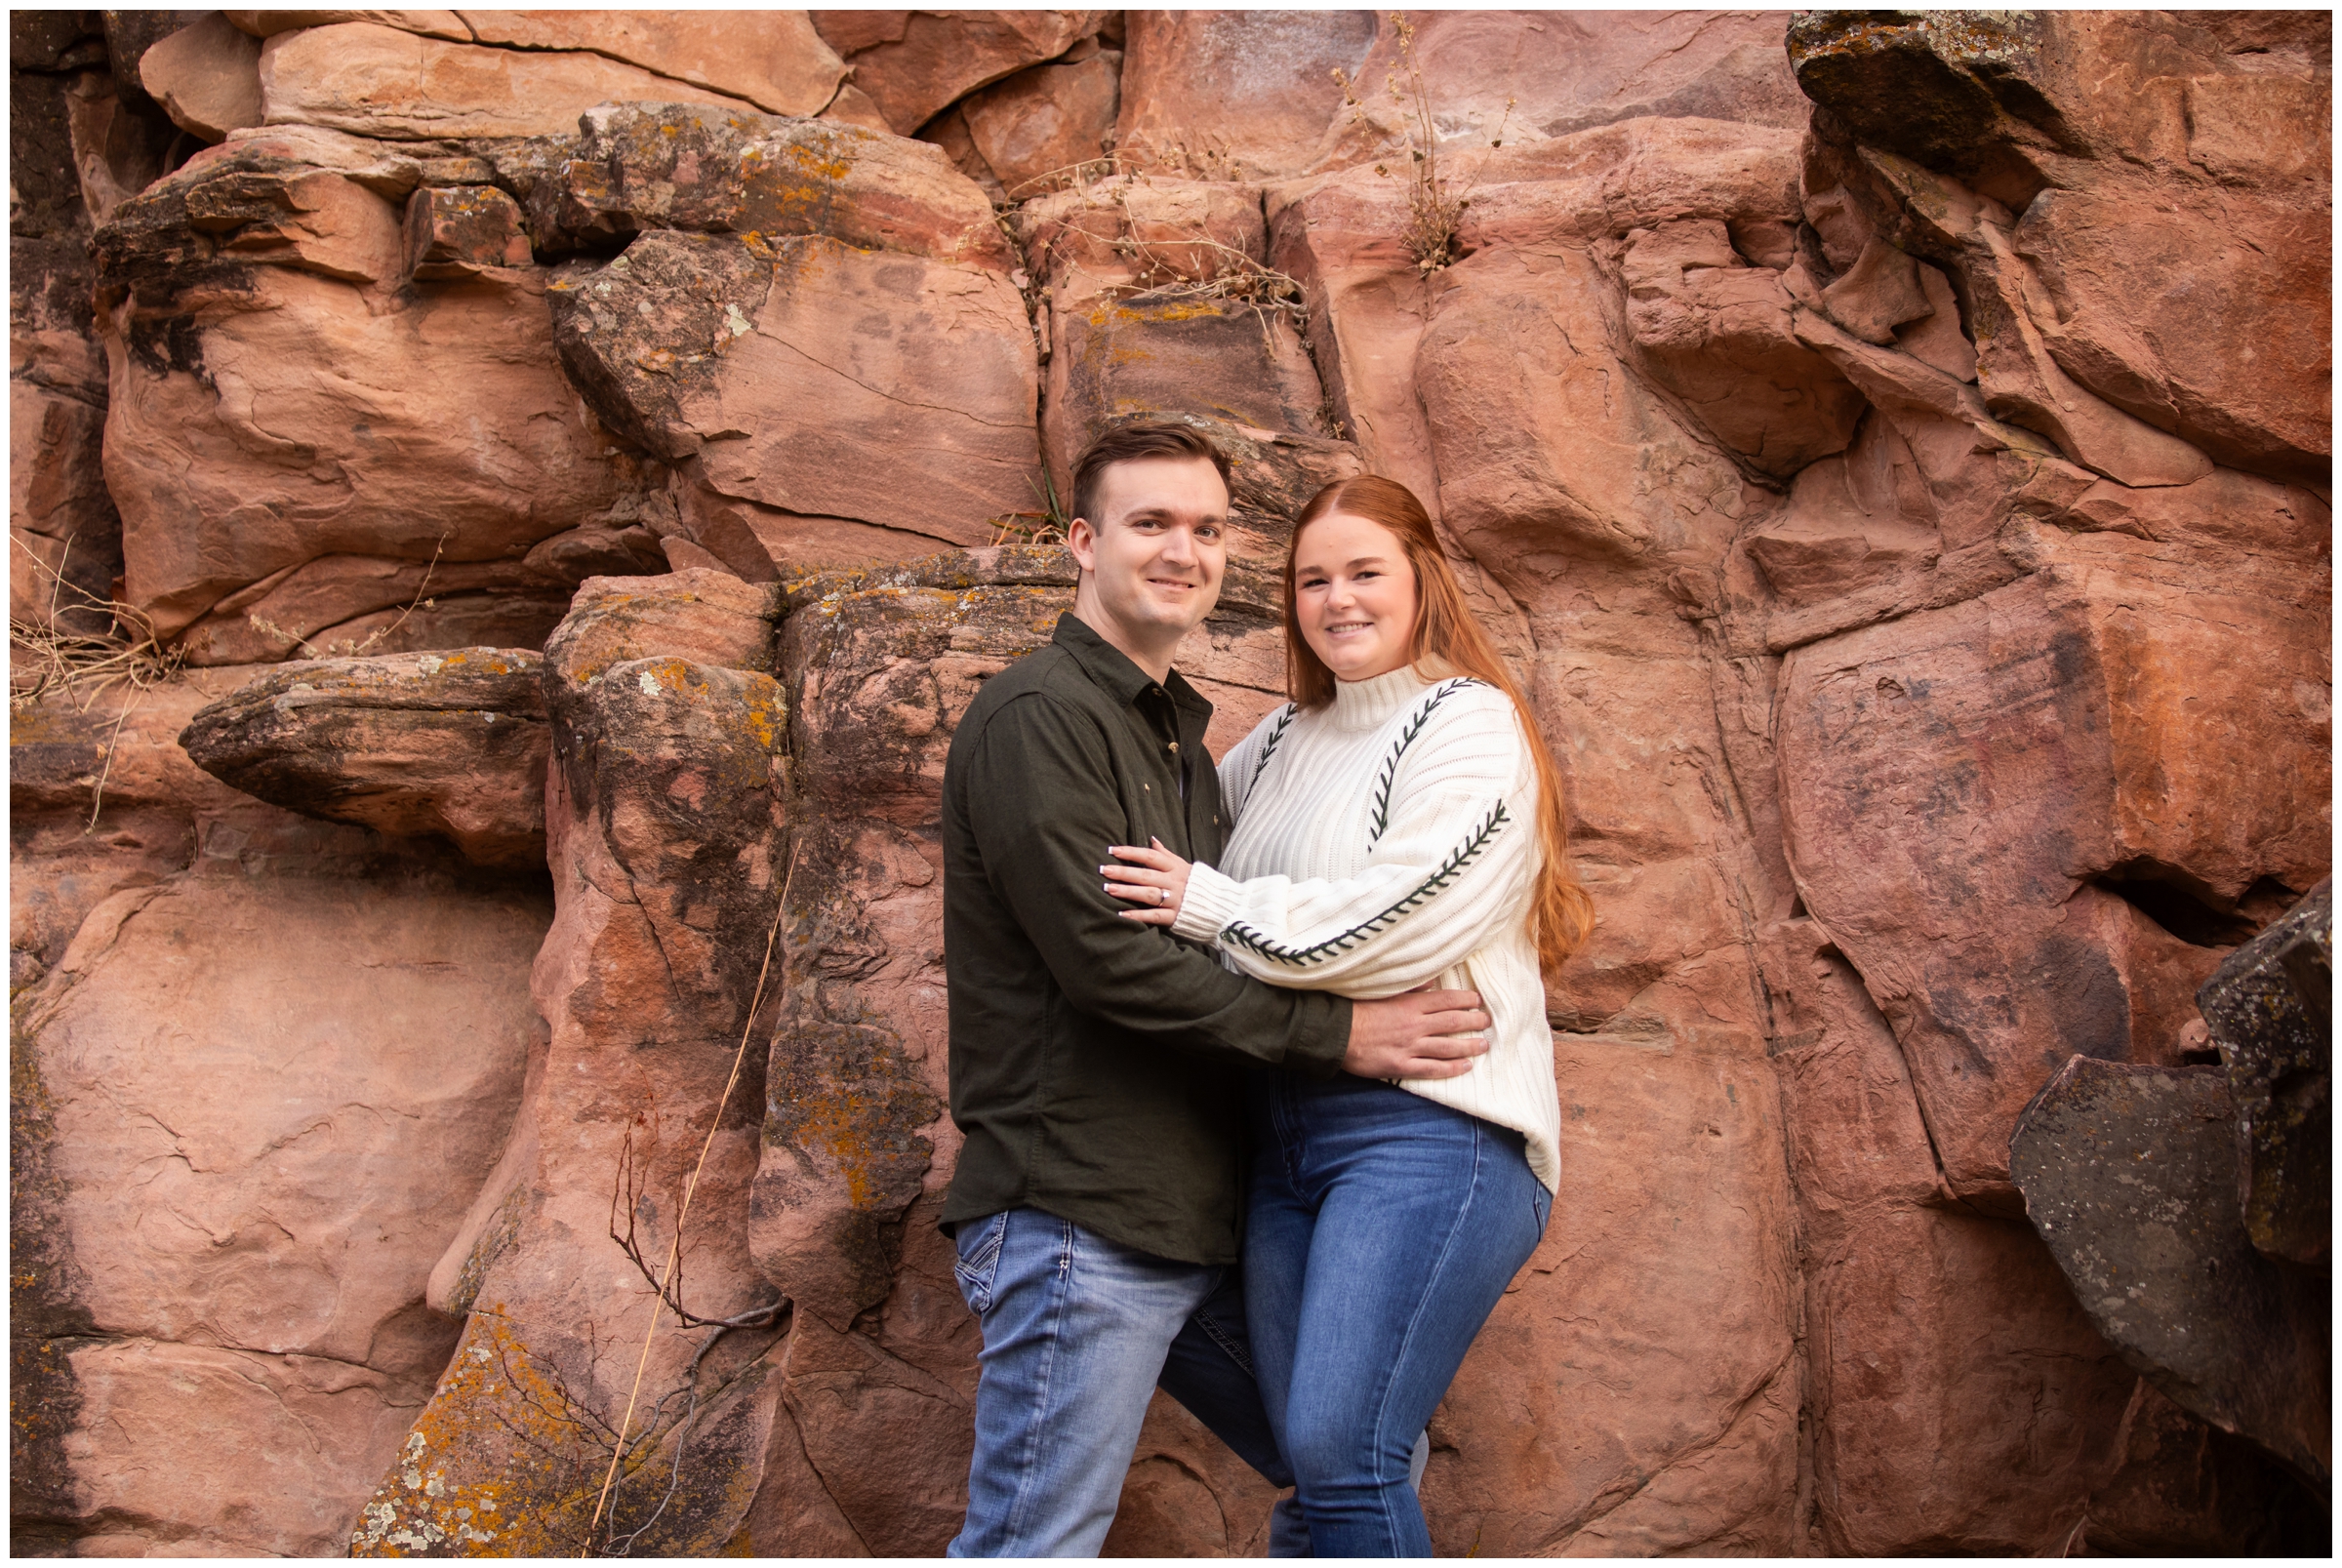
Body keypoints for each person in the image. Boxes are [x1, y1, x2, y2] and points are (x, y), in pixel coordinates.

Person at [940, 425, 1495, 1557]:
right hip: (1077, 1217)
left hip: (1199, 1222)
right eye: (1151, 523)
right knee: (1031, 1543)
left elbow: (1233, 937)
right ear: (1082, 543)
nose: (1183, 551)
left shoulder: (1189, 745)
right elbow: (1110, 962)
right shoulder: (1040, 715)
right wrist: (1340, 1035)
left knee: (1352, 1457)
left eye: (1207, 527)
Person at [1103, 474, 1595, 1556]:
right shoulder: (1274, 742)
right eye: (1313, 579)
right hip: (1279, 1137)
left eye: (1365, 571)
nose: (1338, 600)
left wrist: (1213, 904)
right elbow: (1165, 875)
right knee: (1313, 1462)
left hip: (1428, 1129)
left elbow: (1396, 922)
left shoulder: (1467, 720)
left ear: (1422, 580)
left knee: (1343, 1448)